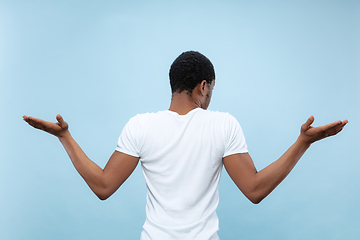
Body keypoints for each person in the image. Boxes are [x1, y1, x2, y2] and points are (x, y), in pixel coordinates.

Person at [23, 51, 348, 240]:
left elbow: (103, 186)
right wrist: (303, 143)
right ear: (203, 86)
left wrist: (65, 137)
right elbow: (255, 190)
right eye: (212, 89)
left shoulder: (141, 125)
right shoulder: (223, 124)